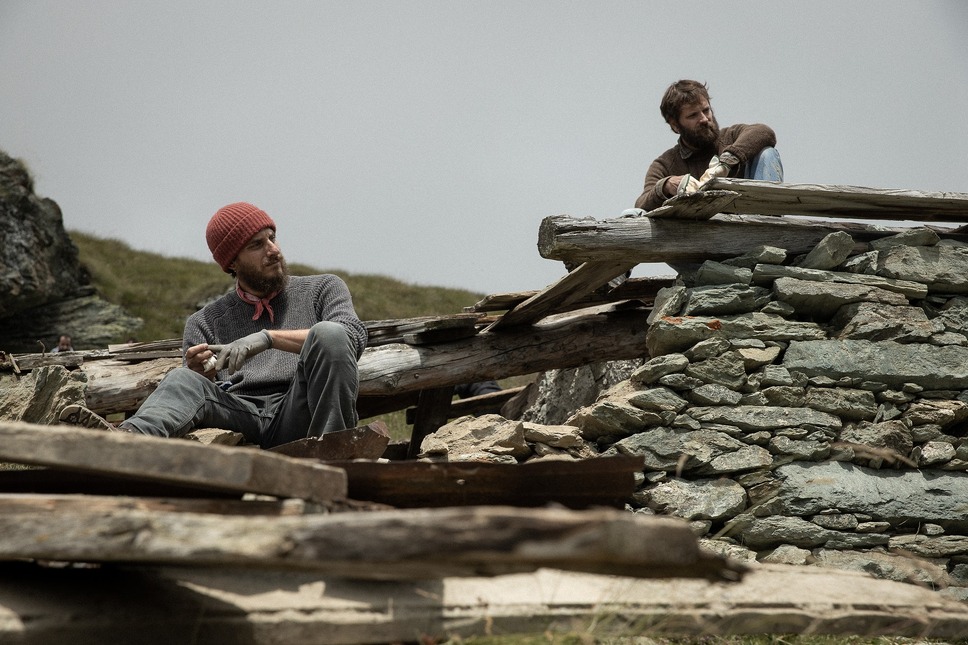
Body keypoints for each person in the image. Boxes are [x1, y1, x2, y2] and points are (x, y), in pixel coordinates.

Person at [59, 202, 368, 449]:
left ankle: (335, 452)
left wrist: (267, 338)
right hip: (243, 413)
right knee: (182, 378)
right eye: (257, 245)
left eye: (272, 238)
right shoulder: (204, 321)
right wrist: (201, 374)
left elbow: (351, 335)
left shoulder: (322, 288)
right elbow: (204, 389)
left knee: (330, 333)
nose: (273, 250)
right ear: (232, 262)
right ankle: (122, 442)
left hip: (302, 408)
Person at [634, 79, 783, 212]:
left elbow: (764, 132)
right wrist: (666, 186)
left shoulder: (731, 137)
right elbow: (641, 205)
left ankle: (770, 218)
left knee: (767, 154)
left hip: (751, 218)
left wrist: (727, 162)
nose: (704, 119)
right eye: (693, 115)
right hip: (701, 231)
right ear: (675, 125)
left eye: (706, 110)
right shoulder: (664, 164)